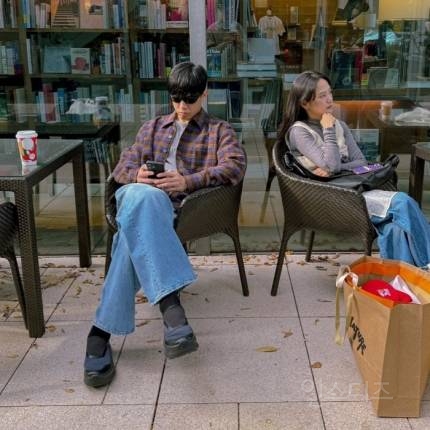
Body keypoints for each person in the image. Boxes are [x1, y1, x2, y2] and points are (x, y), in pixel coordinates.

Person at [83, 62, 246, 388]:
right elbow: (124, 164)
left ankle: (100, 333)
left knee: (134, 230)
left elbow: (235, 165)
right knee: (142, 198)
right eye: (176, 98)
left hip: (174, 207)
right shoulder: (153, 126)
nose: (183, 106)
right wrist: (137, 175)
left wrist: (186, 181)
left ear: (204, 94)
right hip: (137, 196)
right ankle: (172, 313)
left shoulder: (218, 130)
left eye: (190, 98)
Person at [277, 70, 430, 267]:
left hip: (355, 190)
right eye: (322, 96)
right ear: (304, 102)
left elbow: (360, 162)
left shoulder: (339, 124)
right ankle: (426, 266)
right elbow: (332, 164)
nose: (330, 100)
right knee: (402, 202)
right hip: (331, 198)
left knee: (394, 229)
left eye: (330, 93)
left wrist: (337, 168)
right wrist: (328, 130)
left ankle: (405, 282)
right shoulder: (300, 132)